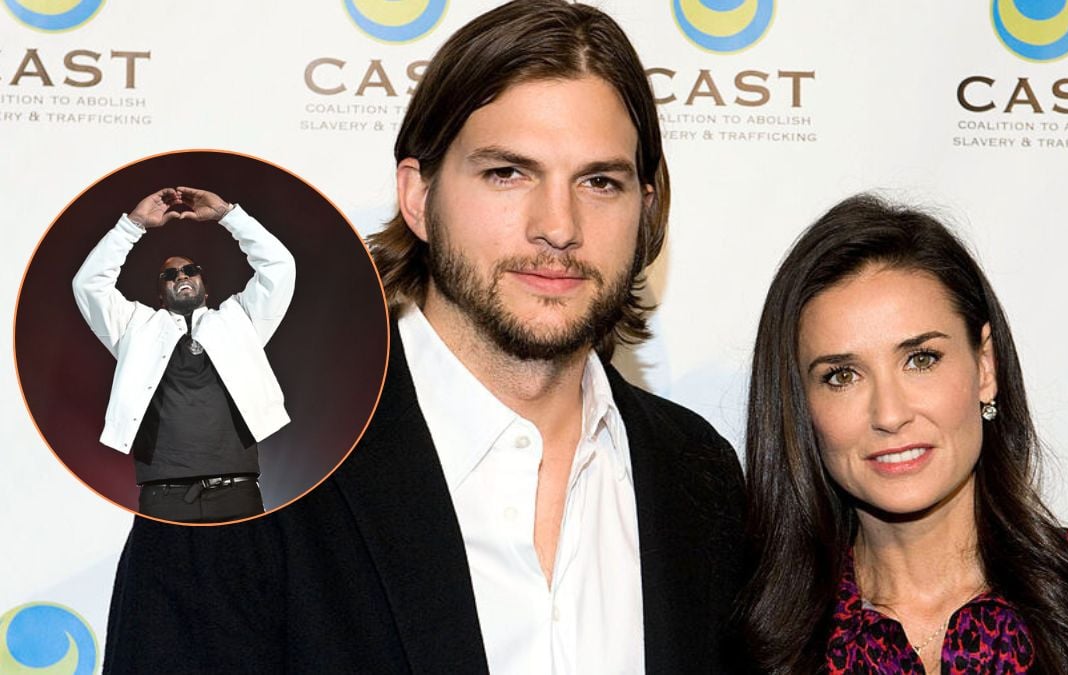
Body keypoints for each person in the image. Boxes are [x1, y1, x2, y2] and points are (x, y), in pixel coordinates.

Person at [103, 2, 747, 673]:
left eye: (599, 181)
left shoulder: (698, 477)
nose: (558, 225)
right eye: (507, 173)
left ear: (644, 212)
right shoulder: (247, 475)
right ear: (418, 198)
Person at [741, 194, 1068, 673]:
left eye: (921, 359)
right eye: (841, 375)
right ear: (799, 403)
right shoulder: (758, 642)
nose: (890, 414)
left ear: (985, 366)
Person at [73, 186, 295, 523]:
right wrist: (132, 225)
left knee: (244, 577)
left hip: (237, 490)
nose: (181, 276)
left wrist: (229, 216)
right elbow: (89, 285)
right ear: (160, 293)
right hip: (164, 493)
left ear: (206, 284)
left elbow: (279, 267)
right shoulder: (136, 327)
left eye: (190, 270)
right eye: (170, 275)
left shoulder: (239, 319)